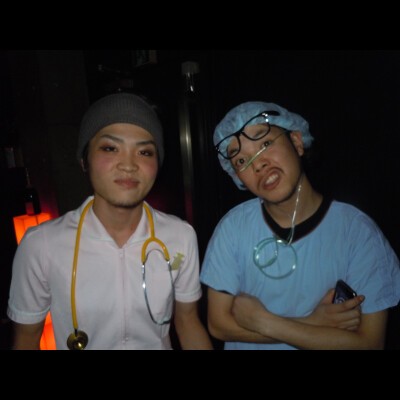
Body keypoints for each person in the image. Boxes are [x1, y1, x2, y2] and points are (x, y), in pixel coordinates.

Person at [7, 92, 213, 350]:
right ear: (84, 160)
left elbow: (188, 322)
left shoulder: (180, 236)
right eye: (110, 148)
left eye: (145, 152)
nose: (129, 165)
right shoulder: (41, 245)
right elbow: (26, 339)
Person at [200, 101, 400, 350]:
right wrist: (313, 323)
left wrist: (263, 321)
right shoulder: (233, 228)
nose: (258, 164)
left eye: (265, 144)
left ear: (296, 142)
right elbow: (218, 324)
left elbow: (370, 343)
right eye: (241, 161)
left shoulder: (357, 233)